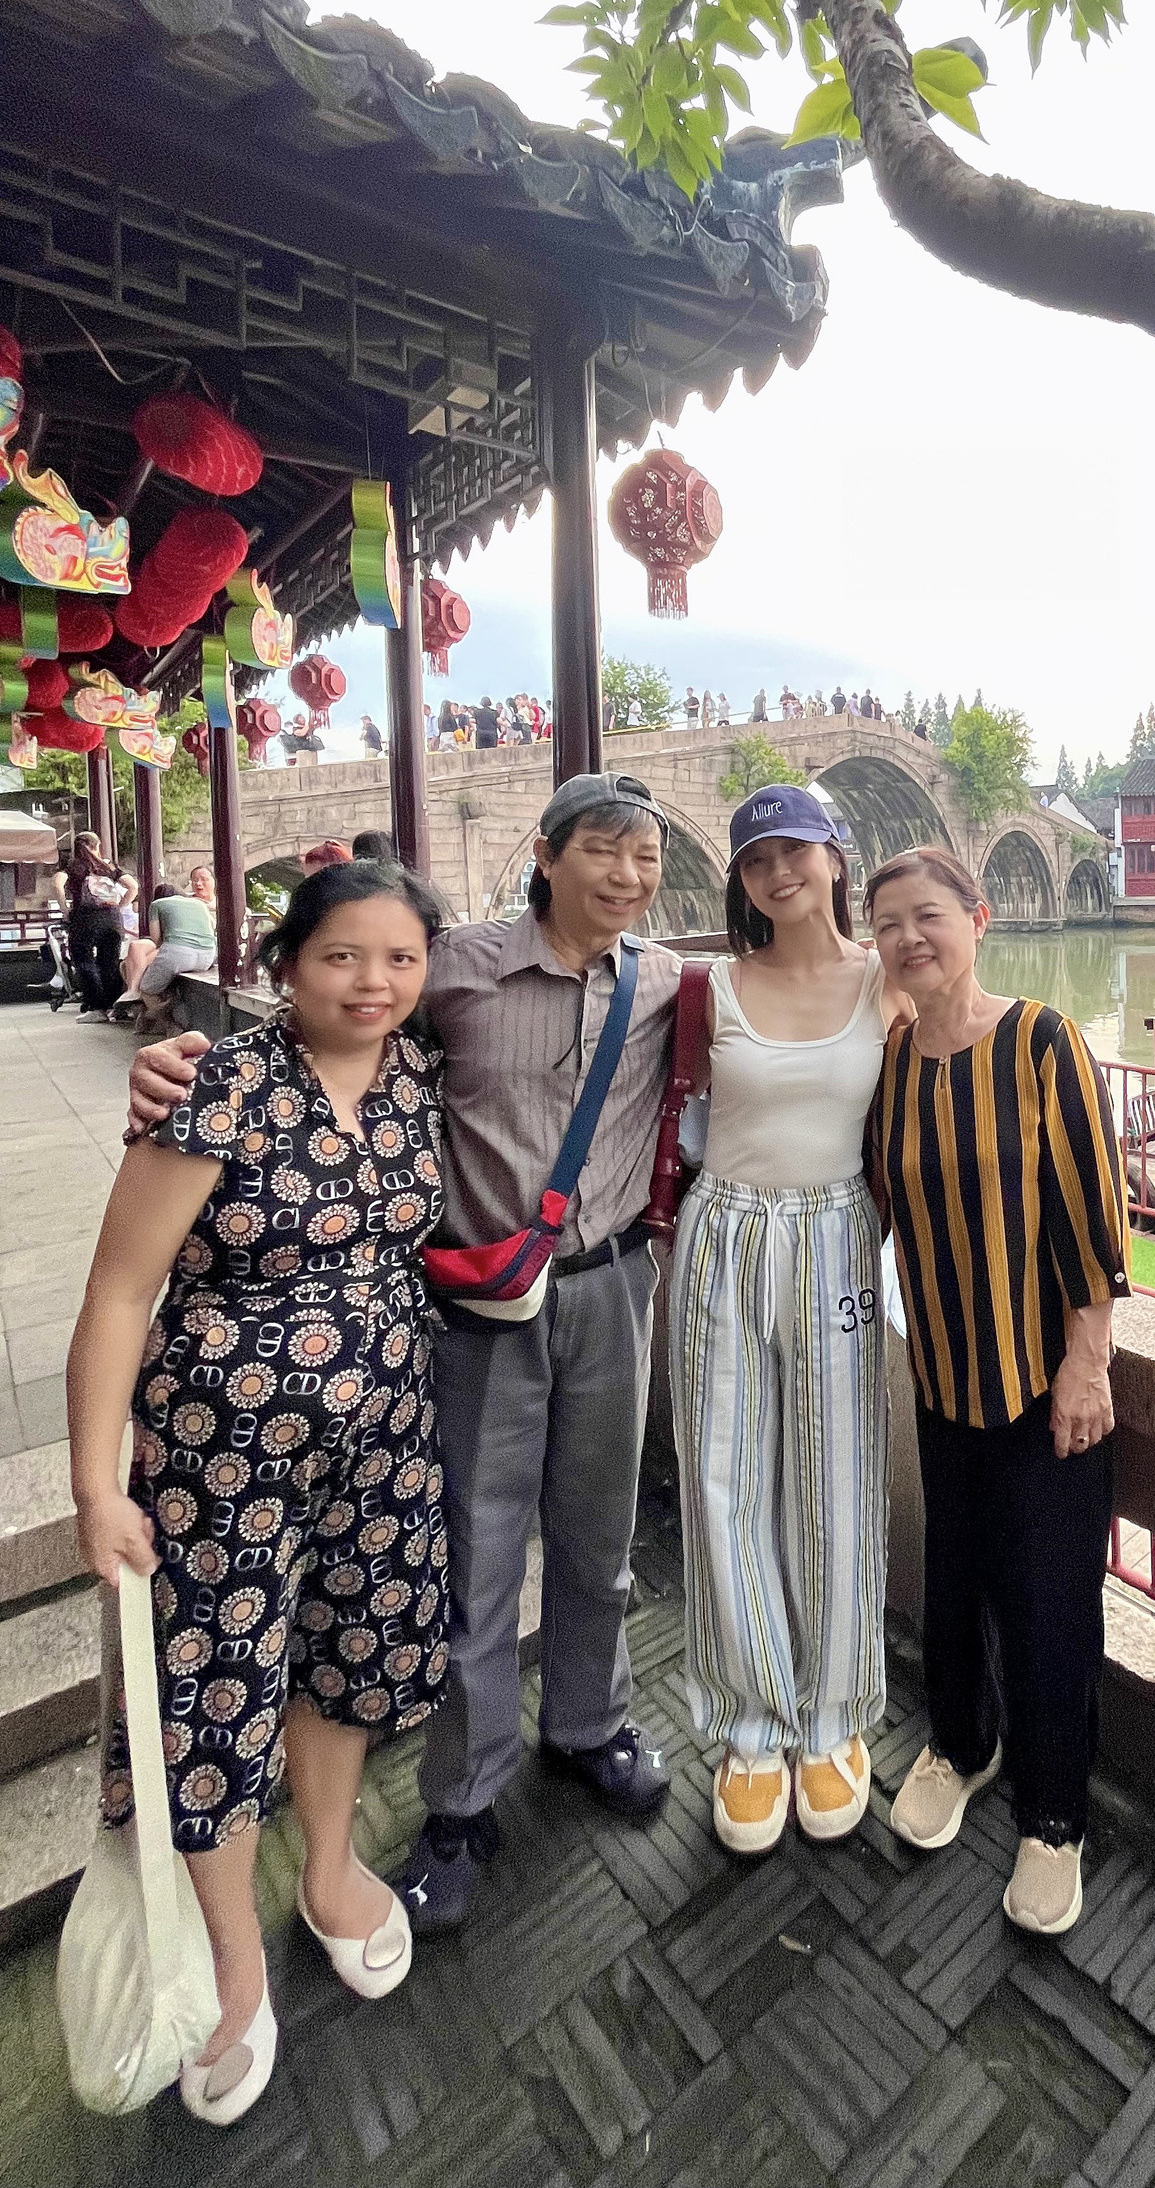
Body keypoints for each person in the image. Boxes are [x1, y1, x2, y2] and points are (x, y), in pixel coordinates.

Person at [130, 773, 683, 1935]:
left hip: (613, 1286)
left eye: (646, 855)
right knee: (476, 1555)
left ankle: (589, 1725)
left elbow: (795, 1020)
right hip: (479, 1307)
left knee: (598, 1537)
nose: (627, 873)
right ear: (546, 854)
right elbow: (335, 1036)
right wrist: (175, 1072)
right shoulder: (454, 969)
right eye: (602, 848)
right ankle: (463, 1797)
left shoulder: (669, 981)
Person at [73, 859, 452, 2124]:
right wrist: (93, 1483)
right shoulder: (216, 1085)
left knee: (348, 1658)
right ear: (285, 965)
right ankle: (233, 1962)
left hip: (385, 1436)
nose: (373, 981)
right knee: (219, 1696)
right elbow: (119, 1291)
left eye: (400, 958)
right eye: (343, 954)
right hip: (217, 1459)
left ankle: (329, 1869)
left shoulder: (417, 1074)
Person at [866, 846, 1129, 1939]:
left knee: (1050, 1598)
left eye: (928, 915)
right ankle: (960, 1745)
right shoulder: (893, 1060)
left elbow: (1094, 1210)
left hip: (1038, 1383)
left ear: (977, 920)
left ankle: (1053, 1814)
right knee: (954, 1575)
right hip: (941, 1372)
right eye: (889, 923)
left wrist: (1087, 1359)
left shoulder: (1040, 1040)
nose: (909, 937)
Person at [670, 788, 913, 1854]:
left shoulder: (886, 978)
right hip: (724, 1234)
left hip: (838, 1239)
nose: (779, 872)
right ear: (740, 878)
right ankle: (751, 1723)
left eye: (796, 851)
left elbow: (962, 1059)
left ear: (836, 860)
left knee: (838, 1478)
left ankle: (833, 1714)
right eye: (757, 857)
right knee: (723, 1478)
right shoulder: (710, 985)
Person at [110, 878, 217, 1021]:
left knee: (146, 989)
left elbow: (156, 939)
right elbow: (212, 927)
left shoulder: (157, 904)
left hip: (178, 954)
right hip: (208, 956)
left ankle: (169, 1020)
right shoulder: (199, 904)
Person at [62, 835, 131, 1018]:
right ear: (98, 845)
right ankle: (113, 1007)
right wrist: (119, 907)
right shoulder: (109, 866)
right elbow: (133, 886)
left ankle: (96, 1008)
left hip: (85, 918)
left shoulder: (74, 866)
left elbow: (57, 882)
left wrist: (65, 909)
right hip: (112, 919)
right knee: (110, 963)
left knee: (83, 959)